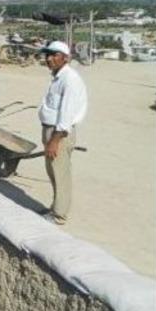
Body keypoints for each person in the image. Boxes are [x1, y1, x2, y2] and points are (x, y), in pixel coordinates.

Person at [37, 41, 88, 225]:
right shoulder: (58, 77)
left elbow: (66, 115)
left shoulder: (70, 80)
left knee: (61, 173)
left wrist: (54, 141)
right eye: (47, 55)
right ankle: (55, 207)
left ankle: (59, 215)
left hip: (59, 134)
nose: (49, 59)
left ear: (65, 58)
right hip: (51, 130)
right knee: (53, 172)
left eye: (54, 55)